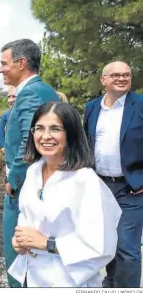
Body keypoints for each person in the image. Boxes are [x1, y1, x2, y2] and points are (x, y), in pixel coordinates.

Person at [8, 102, 121, 287]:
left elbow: (100, 245)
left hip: (68, 280)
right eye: (39, 128)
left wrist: (47, 243)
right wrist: (20, 239)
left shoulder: (85, 181)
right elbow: (26, 215)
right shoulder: (34, 171)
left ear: (70, 134)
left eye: (55, 129)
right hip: (34, 277)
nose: (46, 136)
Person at [0, 38, 60, 287]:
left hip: (26, 189)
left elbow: (30, 140)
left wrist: (13, 180)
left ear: (21, 63)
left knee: (19, 255)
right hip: (39, 184)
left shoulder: (32, 93)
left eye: (4, 63)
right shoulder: (42, 90)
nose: (0, 69)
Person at [83, 61, 143, 288]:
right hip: (99, 186)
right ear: (103, 80)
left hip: (132, 188)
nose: (122, 79)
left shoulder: (140, 105)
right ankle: (111, 284)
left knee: (127, 247)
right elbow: (87, 144)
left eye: (126, 75)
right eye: (116, 75)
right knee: (108, 242)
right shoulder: (92, 108)